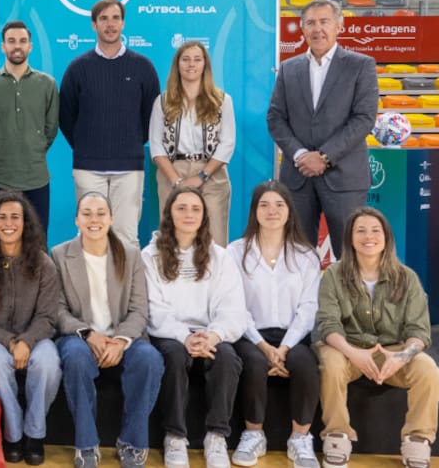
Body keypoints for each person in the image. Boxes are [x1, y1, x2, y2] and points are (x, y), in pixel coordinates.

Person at [314, 207, 439, 468]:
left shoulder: (407, 277)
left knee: (428, 370)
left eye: (375, 230)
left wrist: (402, 356)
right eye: (360, 230)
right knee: (332, 363)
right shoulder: (334, 275)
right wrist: (354, 354)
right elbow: (328, 325)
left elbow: (418, 331)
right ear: (350, 237)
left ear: (386, 237)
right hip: (346, 348)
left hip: (393, 351)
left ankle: (417, 439)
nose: (368, 236)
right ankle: (337, 435)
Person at [51, 192, 163, 468]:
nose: (94, 219)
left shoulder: (130, 255)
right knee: (75, 358)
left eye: (101, 213)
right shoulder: (59, 254)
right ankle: (87, 444)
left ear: (111, 218)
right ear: (77, 219)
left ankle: (133, 441)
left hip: (122, 337)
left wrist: (120, 341)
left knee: (150, 359)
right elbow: (57, 310)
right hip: (80, 337)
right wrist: (88, 334)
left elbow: (139, 310)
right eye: (87, 213)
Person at [143, 185, 246, 468]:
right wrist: (183, 337)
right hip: (170, 334)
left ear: (204, 216)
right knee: (174, 357)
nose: (189, 214)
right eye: (181, 208)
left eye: (195, 208)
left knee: (227, 358)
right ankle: (174, 437)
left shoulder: (222, 257)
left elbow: (233, 308)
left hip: (210, 332)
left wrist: (213, 335)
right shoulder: (149, 256)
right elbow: (154, 309)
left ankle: (216, 436)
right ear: (169, 214)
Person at [267, 0, 378, 259]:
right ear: (302, 29)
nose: (318, 29)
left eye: (324, 22)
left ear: (339, 26)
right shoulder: (288, 68)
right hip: (298, 177)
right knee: (296, 255)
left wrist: (324, 157)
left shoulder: (360, 65)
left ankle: (350, 302)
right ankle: (304, 302)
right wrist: (300, 155)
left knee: (350, 254)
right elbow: (275, 118)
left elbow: (364, 118)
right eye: (311, 23)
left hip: (345, 178)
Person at [227, 181, 321, 468]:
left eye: (279, 205)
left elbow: (308, 308)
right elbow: (234, 306)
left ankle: (300, 438)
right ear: (254, 211)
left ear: (289, 211)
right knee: (254, 363)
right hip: (250, 335)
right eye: (264, 205)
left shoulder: (306, 255)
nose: (272, 211)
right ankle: (254, 434)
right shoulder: (235, 252)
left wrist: (285, 347)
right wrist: (263, 346)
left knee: (306, 364)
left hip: (293, 336)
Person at [0, 191, 61, 466]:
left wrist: (27, 342)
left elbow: (47, 317)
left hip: (34, 337)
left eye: (15, 217)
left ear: (25, 223)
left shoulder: (44, 264)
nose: (9, 223)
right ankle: (13, 434)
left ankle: (34, 435)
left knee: (49, 362)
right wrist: (10, 342)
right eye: (2, 217)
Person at [59, 0, 160, 245]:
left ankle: (127, 286)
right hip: (88, 168)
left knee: (126, 238)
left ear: (123, 23)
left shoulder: (143, 67)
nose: (110, 24)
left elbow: (152, 118)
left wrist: (129, 141)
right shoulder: (77, 68)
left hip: (129, 169)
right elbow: (66, 116)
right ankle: (89, 286)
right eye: (103, 18)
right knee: (89, 237)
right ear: (94, 25)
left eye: (115, 18)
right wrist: (87, 144)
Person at [0, 20, 59, 230]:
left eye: (22, 41)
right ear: (3, 46)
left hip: (35, 179)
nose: (17, 46)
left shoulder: (47, 84)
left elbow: (50, 130)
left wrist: (32, 149)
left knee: (36, 244)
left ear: (30, 46)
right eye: (11, 41)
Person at [150, 40, 235, 246]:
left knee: (215, 239)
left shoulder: (222, 100)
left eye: (197, 59)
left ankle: (214, 278)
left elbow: (227, 143)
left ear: (205, 65)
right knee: (172, 239)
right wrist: (175, 180)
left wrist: (202, 175)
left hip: (212, 173)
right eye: (185, 59)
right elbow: (156, 145)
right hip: (172, 171)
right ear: (177, 65)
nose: (191, 64)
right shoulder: (162, 101)